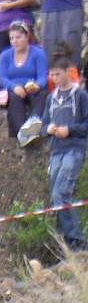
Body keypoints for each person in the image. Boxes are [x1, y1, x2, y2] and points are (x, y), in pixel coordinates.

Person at [39, 56, 88, 250]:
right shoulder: (51, 98)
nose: (55, 78)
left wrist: (70, 129)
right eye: (52, 75)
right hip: (56, 150)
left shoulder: (80, 95)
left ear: (68, 72)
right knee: (55, 195)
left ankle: (76, 239)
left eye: (58, 74)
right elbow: (42, 124)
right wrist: (48, 128)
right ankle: (65, 242)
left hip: (74, 148)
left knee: (61, 192)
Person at [0, 20, 48, 146]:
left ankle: (34, 122)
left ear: (27, 36)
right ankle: (22, 132)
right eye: (12, 38)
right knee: (14, 98)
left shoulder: (38, 53)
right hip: (13, 88)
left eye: (18, 37)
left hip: (32, 86)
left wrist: (37, 85)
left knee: (42, 94)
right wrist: (14, 87)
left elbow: (43, 76)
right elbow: (2, 78)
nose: (15, 41)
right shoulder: (5, 55)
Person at [33, 0, 84, 68]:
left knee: (71, 52)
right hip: (48, 10)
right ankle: (51, 82)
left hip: (71, 9)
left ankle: (73, 82)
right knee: (48, 54)